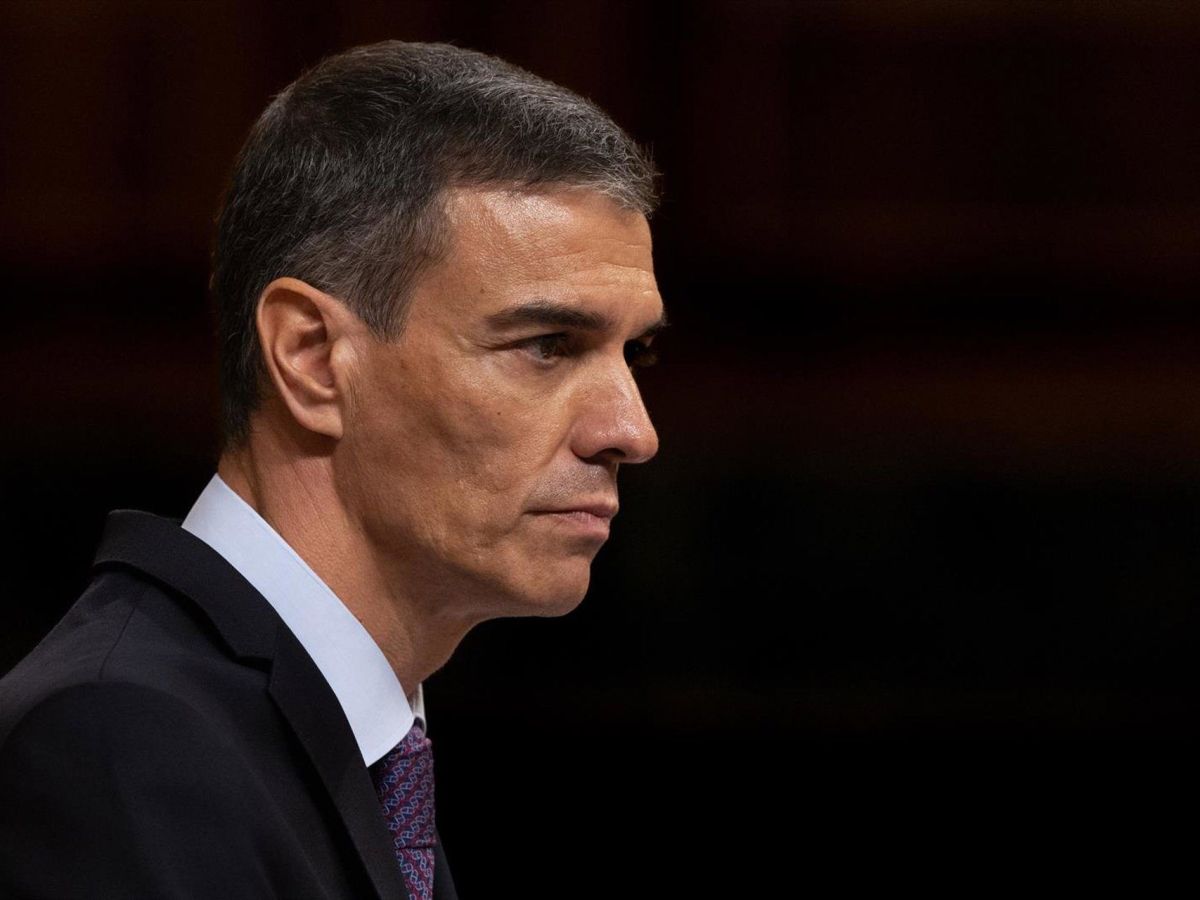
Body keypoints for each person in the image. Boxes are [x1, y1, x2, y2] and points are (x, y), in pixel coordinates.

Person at [0, 41, 663, 899]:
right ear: (311, 358)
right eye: (547, 345)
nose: (631, 432)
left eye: (635, 353)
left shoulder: (347, 749)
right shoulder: (118, 739)